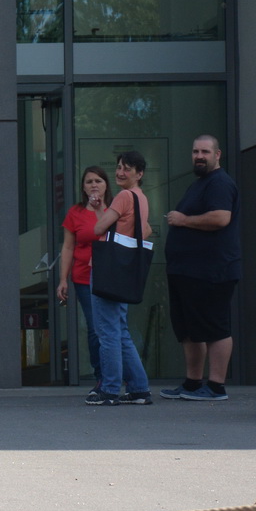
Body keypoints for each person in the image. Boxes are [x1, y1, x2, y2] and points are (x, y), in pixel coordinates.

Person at [160, 135, 242, 401]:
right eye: (195, 151)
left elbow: (221, 217)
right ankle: (193, 383)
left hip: (212, 271)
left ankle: (216, 386)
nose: (199, 156)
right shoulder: (200, 184)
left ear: (217, 155)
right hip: (187, 271)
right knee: (190, 329)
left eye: (205, 151)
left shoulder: (219, 183)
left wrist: (183, 220)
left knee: (214, 327)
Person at [84, 152, 153, 406]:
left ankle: (110, 389)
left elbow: (100, 228)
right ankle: (139, 388)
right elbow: (130, 227)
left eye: (128, 168)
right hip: (123, 271)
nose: (121, 172)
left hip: (107, 269)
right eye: (119, 167)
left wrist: (99, 212)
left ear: (139, 173)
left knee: (107, 332)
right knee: (120, 330)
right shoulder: (141, 198)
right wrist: (100, 207)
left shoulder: (125, 196)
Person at [56, 166, 111, 388]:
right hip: (83, 278)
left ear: (106, 184)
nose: (94, 185)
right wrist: (63, 279)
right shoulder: (75, 213)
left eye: (98, 180)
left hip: (111, 277)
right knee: (95, 327)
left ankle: (118, 374)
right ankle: (102, 376)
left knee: (115, 327)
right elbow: (68, 248)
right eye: (89, 181)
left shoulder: (115, 209)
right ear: (83, 188)